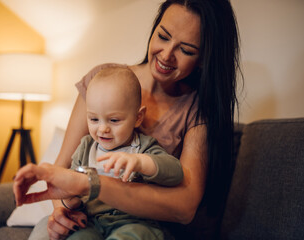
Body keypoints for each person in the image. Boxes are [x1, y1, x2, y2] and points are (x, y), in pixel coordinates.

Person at [14, 0, 241, 239]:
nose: (166, 55)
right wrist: (62, 209)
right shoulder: (101, 80)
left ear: (204, 58)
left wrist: (91, 184)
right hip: (86, 219)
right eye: (163, 36)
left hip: (139, 225)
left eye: (186, 50)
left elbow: (184, 207)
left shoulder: (198, 110)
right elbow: (63, 169)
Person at [60, 66, 183, 239]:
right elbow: (71, 186)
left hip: (134, 222)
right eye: (94, 119)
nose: (103, 129)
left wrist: (141, 162)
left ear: (138, 117)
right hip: (91, 221)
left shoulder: (143, 147)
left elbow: (176, 172)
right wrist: (70, 202)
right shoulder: (86, 147)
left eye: (114, 120)